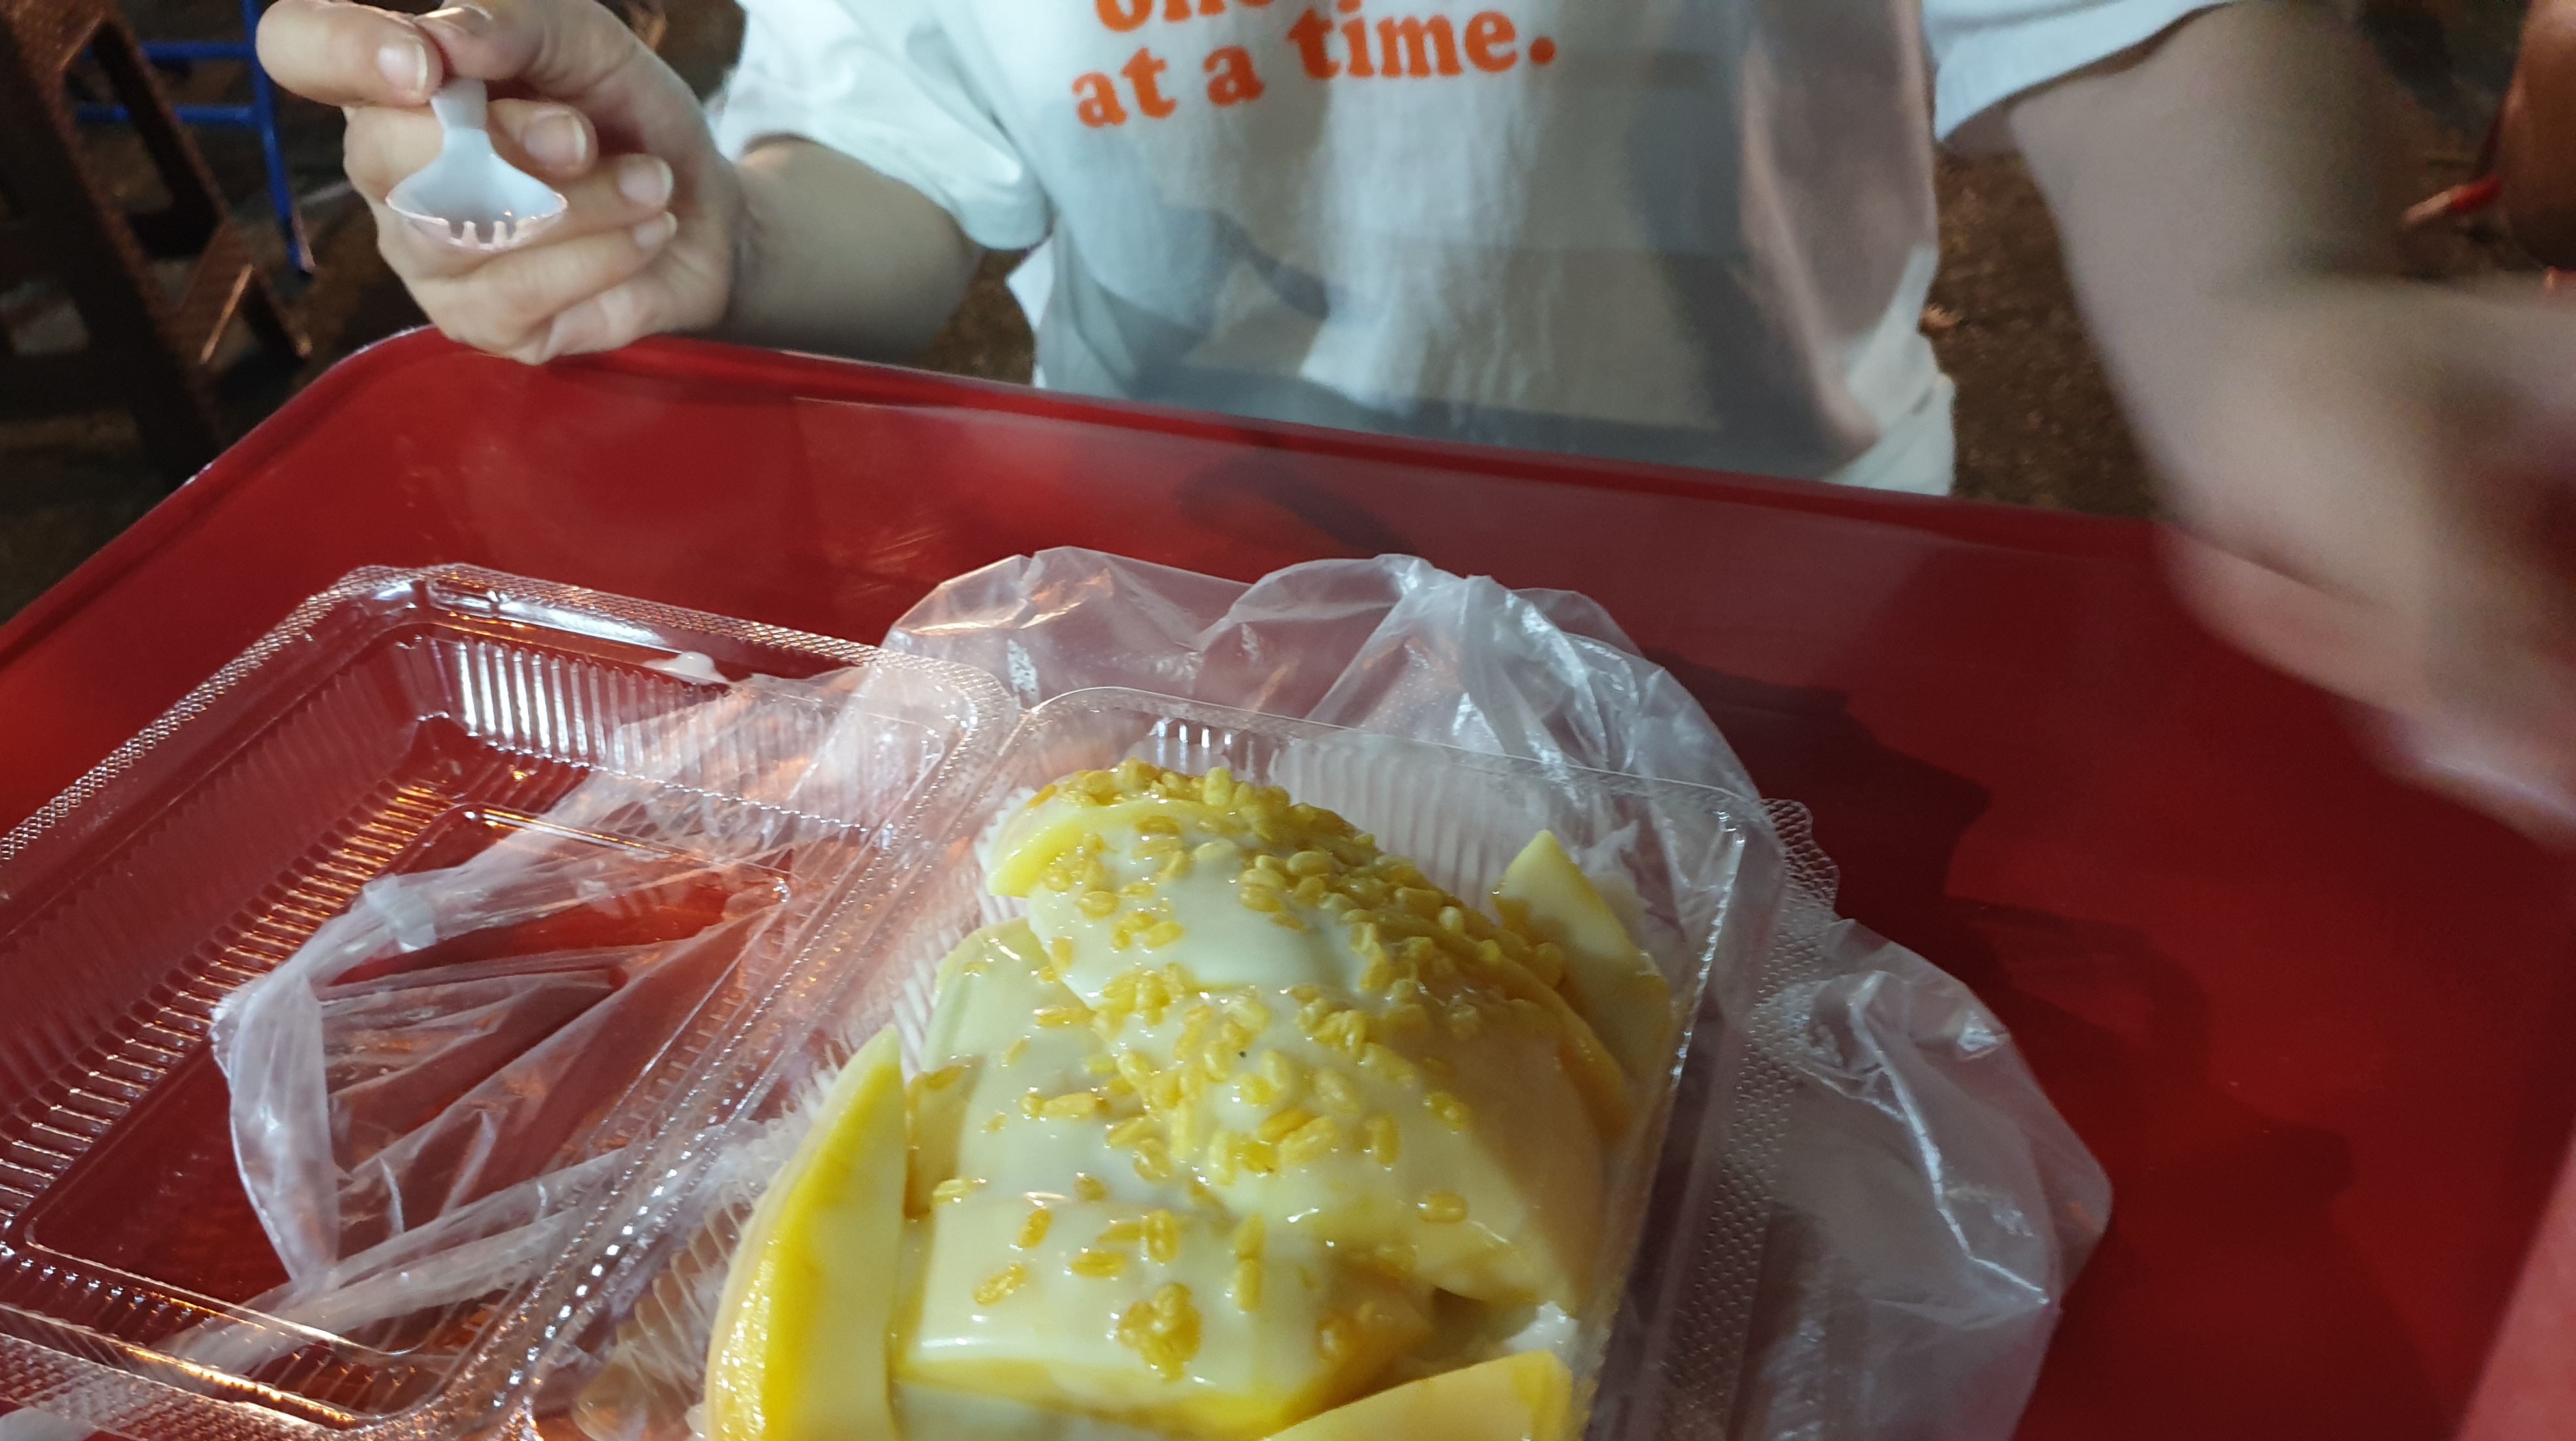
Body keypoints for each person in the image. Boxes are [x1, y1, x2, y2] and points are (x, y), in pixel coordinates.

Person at [261, 0, 2576, 832]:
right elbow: (900, 171)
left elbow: (2137, 27)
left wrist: (2271, 309)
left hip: (1791, 627)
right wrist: (716, 233)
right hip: (1197, 636)